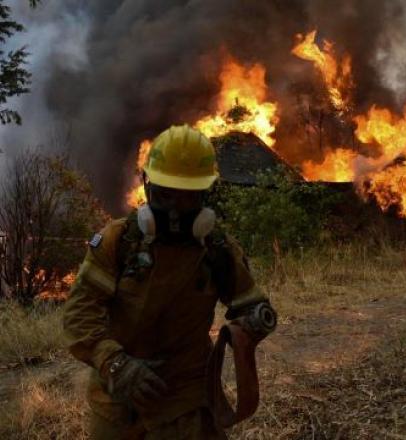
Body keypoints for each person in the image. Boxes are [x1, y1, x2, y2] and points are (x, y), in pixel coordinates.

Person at [63, 125, 276, 439]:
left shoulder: (217, 250)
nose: (176, 209)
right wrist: (116, 364)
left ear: (205, 193)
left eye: (188, 197)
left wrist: (256, 320)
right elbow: (79, 316)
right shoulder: (118, 242)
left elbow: (250, 304)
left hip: (185, 403)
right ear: (148, 188)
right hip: (118, 404)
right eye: (166, 195)